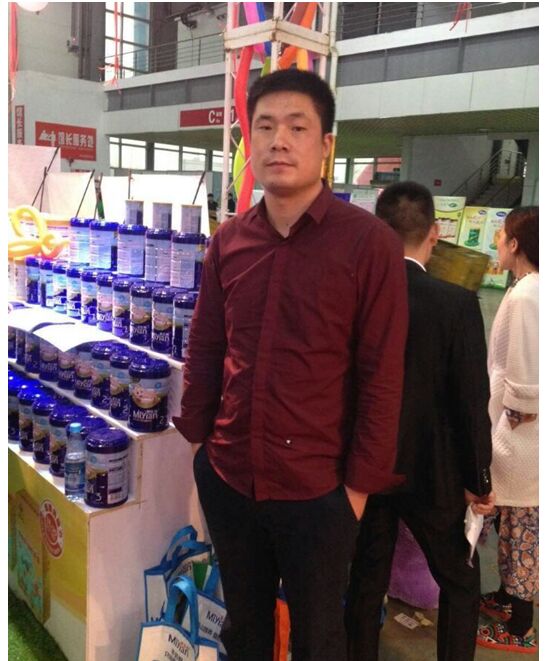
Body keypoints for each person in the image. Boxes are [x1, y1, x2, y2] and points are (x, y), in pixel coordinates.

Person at [172, 68, 409, 661]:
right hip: (231, 477)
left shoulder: (369, 244)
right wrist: (200, 444)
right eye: (266, 126)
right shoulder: (230, 241)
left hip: (320, 492)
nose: (279, 140)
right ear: (249, 141)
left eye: (297, 127)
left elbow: (382, 377)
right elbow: (206, 346)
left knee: (319, 638)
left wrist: (356, 492)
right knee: (244, 630)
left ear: (326, 144)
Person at [345, 181, 495, 661]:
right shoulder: (456, 304)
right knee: (460, 581)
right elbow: (471, 400)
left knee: (366, 579)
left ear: (377, 230)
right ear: (435, 232)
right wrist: (479, 480)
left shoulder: (354, 296)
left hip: (366, 466)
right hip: (435, 472)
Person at [476, 207, 539, 655]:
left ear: (515, 244)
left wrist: (518, 412)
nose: (496, 242)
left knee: (521, 532)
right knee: (511, 524)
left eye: (501, 236)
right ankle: (505, 597)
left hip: (522, 435)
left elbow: (525, 369)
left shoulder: (526, 294)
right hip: (517, 430)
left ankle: (521, 626)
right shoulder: (526, 288)